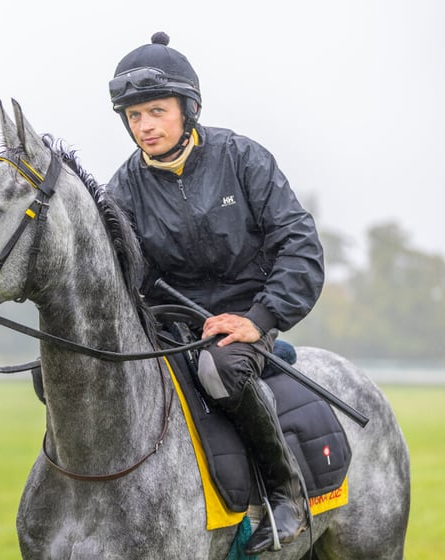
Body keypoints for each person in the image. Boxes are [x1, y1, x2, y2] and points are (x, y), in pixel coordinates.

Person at [106, 32, 325, 555]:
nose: (146, 126)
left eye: (156, 111)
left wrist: (259, 317)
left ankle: (284, 491)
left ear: (190, 109)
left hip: (246, 320)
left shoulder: (243, 158)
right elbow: (119, 278)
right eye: (134, 117)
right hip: (171, 327)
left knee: (218, 369)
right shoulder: (122, 190)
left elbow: (301, 248)